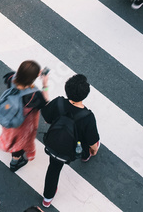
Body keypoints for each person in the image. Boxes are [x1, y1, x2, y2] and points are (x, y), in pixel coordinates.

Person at [39, 74, 99, 208]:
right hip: (74, 148)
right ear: (85, 95)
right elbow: (93, 143)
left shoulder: (59, 103)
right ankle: (85, 157)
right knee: (85, 148)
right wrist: (93, 151)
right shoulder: (88, 117)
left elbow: (47, 119)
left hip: (55, 145)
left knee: (53, 169)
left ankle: (47, 199)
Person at [0, 60, 49, 171]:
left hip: (9, 117)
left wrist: (30, 73)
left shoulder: (11, 78)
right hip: (22, 124)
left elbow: (17, 76)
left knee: (11, 137)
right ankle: (15, 162)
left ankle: (11, 150)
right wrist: (45, 85)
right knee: (19, 144)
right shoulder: (34, 95)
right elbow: (46, 104)